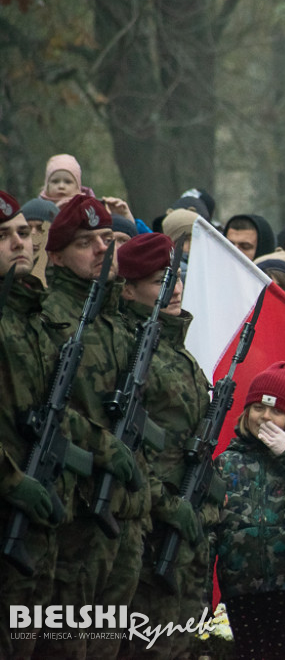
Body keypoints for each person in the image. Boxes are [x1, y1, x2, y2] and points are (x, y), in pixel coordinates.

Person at [36, 195, 142, 659]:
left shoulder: (115, 319)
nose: (102, 249)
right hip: (71, 510)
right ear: (56, 255)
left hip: (118, 509)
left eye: (105, 239)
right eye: (85, 242)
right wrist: (104, 449)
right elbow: (42, 407)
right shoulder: (49, 316)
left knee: (107, 645)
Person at [118, 233, 218, 660]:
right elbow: (124, 439)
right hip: (151, 526)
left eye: (174, 276)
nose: (174, 288)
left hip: (188, 527)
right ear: (128, 289)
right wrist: (164, 502)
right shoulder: (129, 349)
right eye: (160, 281)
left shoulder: (177, 350)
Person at [0, 192, 72, 660]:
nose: (19, 244)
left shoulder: (34, 317)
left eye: (24, 233)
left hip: (37, 525)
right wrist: (11, 480)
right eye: (4, 236)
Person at [214, 362, 285, 660]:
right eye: (259, 408)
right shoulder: (225, 462)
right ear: (247, 412)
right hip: (240, 583)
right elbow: (210, 525)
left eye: (277, 411)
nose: (266, 417)